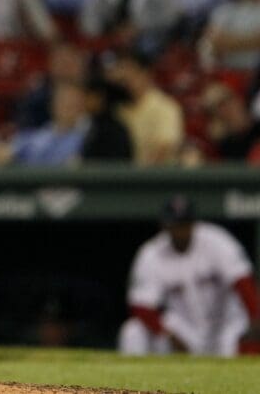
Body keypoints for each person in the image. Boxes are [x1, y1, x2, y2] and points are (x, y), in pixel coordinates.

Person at [119, 196, 260, 356]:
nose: (181, 231)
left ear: (193, 223)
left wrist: (255, 317)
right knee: (132, 331)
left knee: (238, 334)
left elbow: (243, 280)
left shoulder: (217, 240)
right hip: (185, 329)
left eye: (185, 224)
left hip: (225, 324)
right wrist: (169, 335)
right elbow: (141, 306)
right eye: (176, 225)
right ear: (164, 226)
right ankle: (134, 379)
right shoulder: (151, 254)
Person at [109, 50, 185, 166]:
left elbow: (164, 148)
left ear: (146, 73)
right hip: (120, 177)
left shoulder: (165, 107)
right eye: (121, 73)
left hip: (154, 178)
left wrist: (137, 175)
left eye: (130, 72)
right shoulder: (115, 108)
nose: (125, 79)